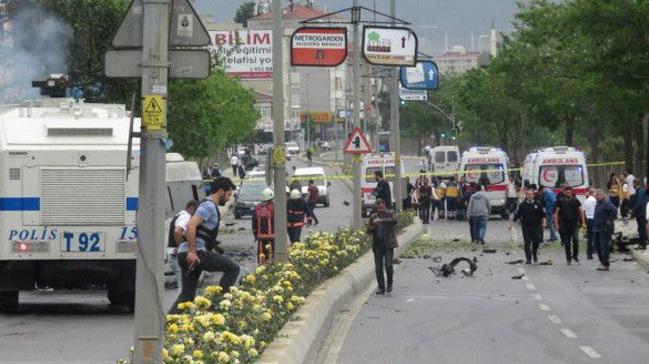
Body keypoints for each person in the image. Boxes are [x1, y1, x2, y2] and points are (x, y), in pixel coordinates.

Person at [170, 177, 240, 313]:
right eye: (228, 194)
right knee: (233, 269)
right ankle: (220, 307)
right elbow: (191, 226)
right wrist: (192, 252)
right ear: (221, 191)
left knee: (187, 296)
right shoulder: (208, 206)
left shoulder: (206, 205)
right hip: (195, 254)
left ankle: (167, 327)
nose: (228, 198)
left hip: (186, 254)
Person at [367, 199, 398, 295]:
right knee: (378, 267)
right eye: (378, 207)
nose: (380, 209)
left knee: (388, 265)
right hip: (377, 245)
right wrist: (373, 225)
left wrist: (381, 221)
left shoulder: (390, 213)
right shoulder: (373, 216)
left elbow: (394, 220)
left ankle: (389, 284)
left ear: (384, 205)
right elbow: (368, 230)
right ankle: (381, 287)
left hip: (388, 244)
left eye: (381, 207)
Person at [167, 200, 198, 290]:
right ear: (192, 208)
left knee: (184, 285)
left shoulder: (179, 215)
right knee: (184, 287)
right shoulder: (186, 217)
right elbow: (177, 231)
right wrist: (181, 247)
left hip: (172, 254)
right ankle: (180, 303)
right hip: (176, 256)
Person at [553, 186, 586, 265]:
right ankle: (568, 258)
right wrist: (556, 223)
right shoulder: (560, 201)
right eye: (566, 191)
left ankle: (575, 256)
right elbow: (556, 213)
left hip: (574, 224)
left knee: (575, 240)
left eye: (569, 191)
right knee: (567, 242)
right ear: (564, 192)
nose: (568, 193)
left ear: (571, 192)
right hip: (564, 224)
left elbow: (581, 211)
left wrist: (583, 222)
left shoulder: (575, 200)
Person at [513, 189, 546, 264]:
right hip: (526, 227)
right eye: (528, 195)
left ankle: (534, 254)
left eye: (531, 194)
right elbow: (517, 215)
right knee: (527, 243)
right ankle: (528, 258)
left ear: (533, 195)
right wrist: (511, 224)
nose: (530, 196)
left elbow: (543, 214)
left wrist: (544, 222)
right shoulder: (522, 205)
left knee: (536, 242)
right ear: (526, 196)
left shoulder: (538, 204)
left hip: (537, 226)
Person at [592, 189, 618, 271]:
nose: (597, 196)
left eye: (599, 195)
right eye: (596, 195)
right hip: (597, 227)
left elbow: (614, 210)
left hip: (604, 228)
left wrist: (609, 220)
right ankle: (602, 262)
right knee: (597, 245)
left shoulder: (606, 203)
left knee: (604, 246)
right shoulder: (598, 203)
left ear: (602, 195)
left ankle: (605, 264)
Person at [252, 188, 276, 264]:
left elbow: (254, 223)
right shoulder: (274, 207)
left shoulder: (257, 208)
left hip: (260, 237)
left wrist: (255, 235)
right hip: (272, 237)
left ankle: (261, 273)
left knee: (261, 256)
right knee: (271, 256)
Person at [631, 179, 647, 248]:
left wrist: (633, 211)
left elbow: (639, 203)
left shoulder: (640, 191)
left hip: (641, 213)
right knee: (642, 228)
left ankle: (642, 244)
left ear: (635, 184)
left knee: (641, 229)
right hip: (642, 212)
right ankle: (643, 242)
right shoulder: (642, 190)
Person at [582, 188, 598, 260]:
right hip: (594, 219)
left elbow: (583, 211)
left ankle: (589, 253)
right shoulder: (594, 201)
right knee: (596, 236)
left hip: (588, 219)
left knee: (590, 237)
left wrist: (583, 222)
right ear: (593, 193)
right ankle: (595, 249)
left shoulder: (585, 201)